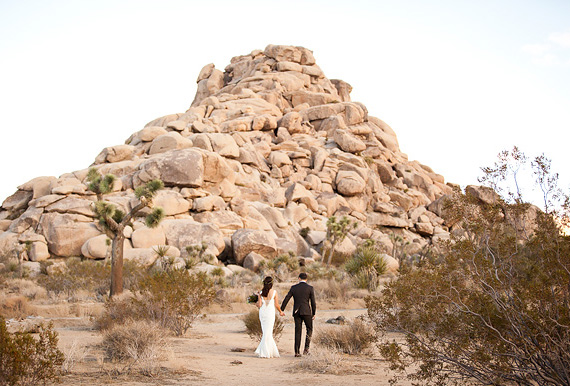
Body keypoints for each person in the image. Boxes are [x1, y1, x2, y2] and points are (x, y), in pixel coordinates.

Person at [280, 272, 316, 357]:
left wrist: (282, 309)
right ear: (306, 279)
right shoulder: (310, 288)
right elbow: (313, 302)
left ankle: (297, 352)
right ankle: (306, 349)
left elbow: (287, 298)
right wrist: (314, 313)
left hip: (297, 312)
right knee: (309, 329)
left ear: (299, 278)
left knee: (298, 331)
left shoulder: (294, 288)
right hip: (307, 312)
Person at [255, 276, 285, 358]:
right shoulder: (274, 292)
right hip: (270, 313)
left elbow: (259, 305)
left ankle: (265, 351)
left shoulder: (261, 292)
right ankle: (266, 352)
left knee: (266, 332)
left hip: (263, 313)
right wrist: (281, 312)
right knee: (268, 332)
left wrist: (256, 301)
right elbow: (277, 305)